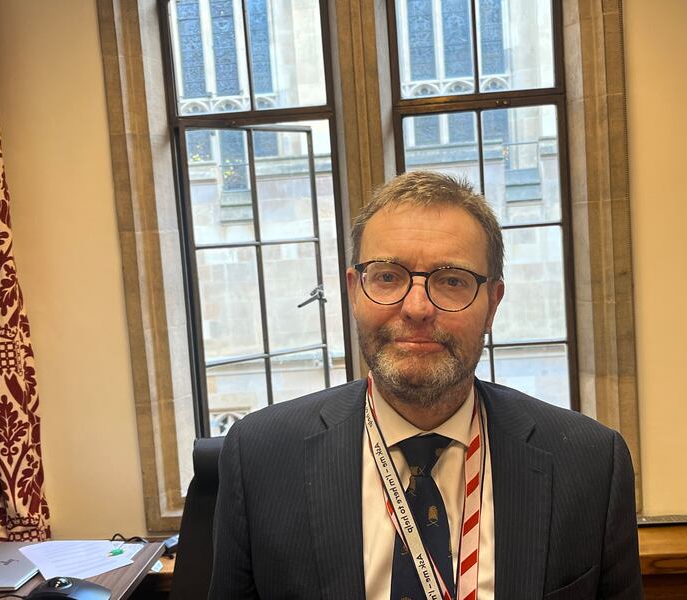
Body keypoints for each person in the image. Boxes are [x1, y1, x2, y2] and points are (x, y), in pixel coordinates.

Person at [208, 171, 643, 599]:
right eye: (387, 276)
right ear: (355, 292)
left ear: (492, 304)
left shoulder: (588, 465)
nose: (416, 308)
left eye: (452, 281)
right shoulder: (260, 458)